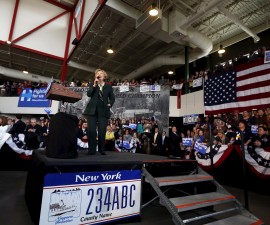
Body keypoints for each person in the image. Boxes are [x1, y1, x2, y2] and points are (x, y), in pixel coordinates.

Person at [83, 69, 115, 155]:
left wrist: (109, 104)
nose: (99, 74)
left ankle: (101, 150)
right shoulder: (92, 84)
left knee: (102, 131)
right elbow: (89, 94)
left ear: (104, 76)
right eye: (97, 73)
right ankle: (91, 150)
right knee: (91, 131)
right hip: (92, 110)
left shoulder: (108, 86)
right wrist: (94, 85)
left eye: (101, 73)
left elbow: (112, 98)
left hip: (103, 111)